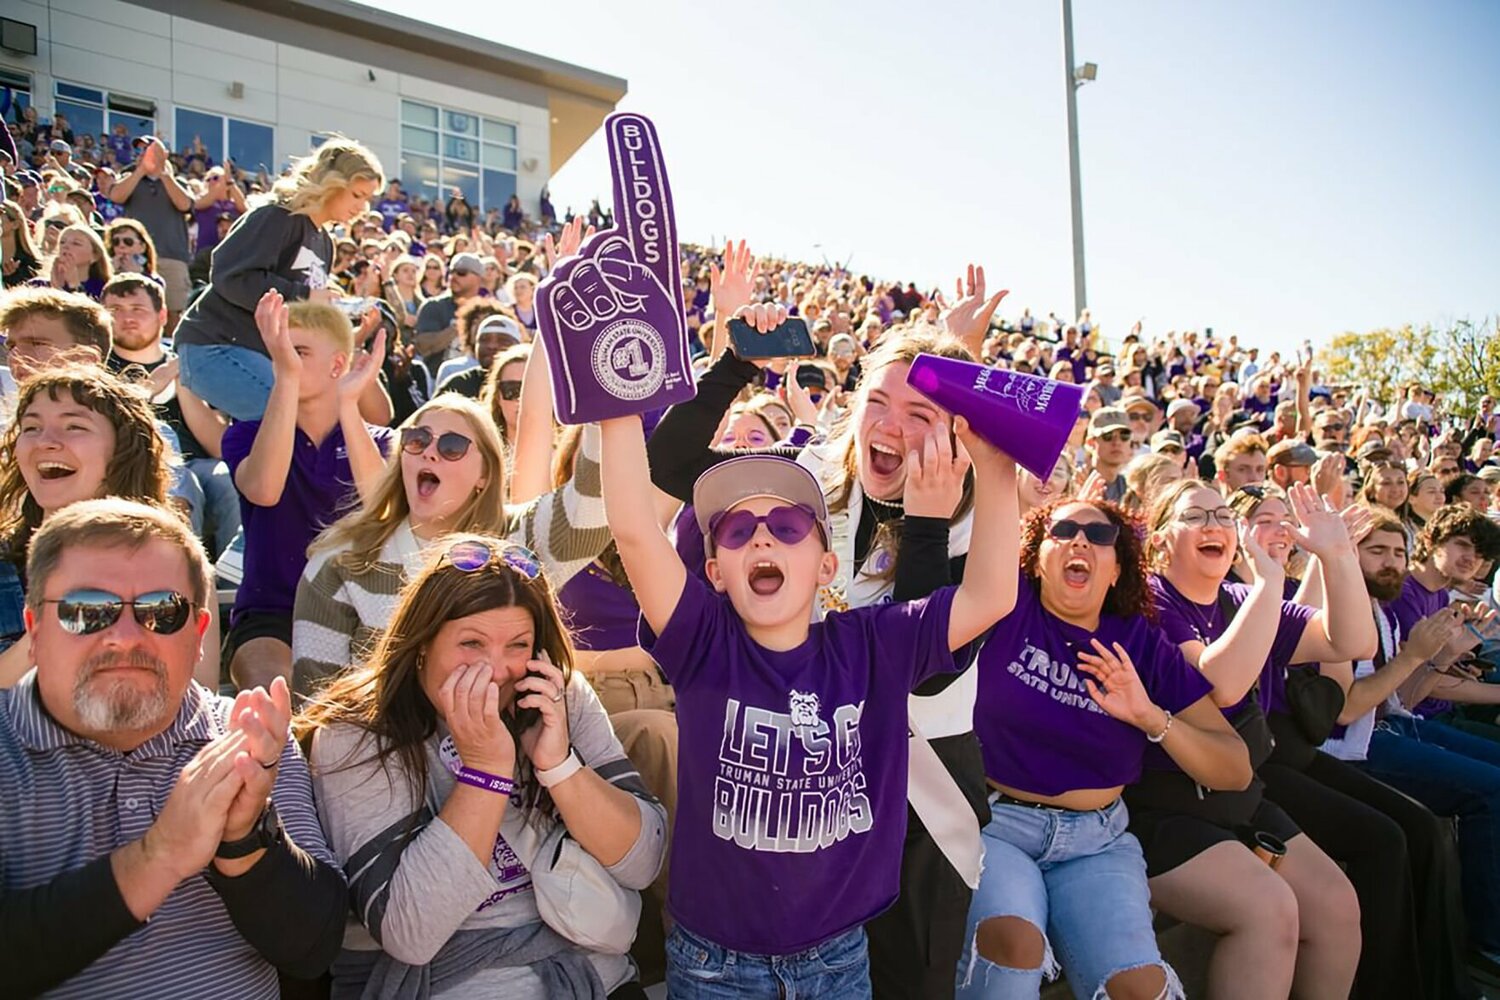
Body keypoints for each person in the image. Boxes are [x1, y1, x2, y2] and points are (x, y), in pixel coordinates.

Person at [604, 366, 1019, 997]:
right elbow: (634, 530)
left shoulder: (875, 645)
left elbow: (990, 596)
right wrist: (613, 407)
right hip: (714, 965)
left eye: (788, 526)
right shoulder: (703, 643)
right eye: (737, 531)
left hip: (838, 961)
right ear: (714, 572)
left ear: (826, 564)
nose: (762, 537)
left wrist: (995, 468)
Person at [0, 498, 347, 998]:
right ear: (34, 631)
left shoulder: (243, 734)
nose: (124, 637)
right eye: (87, 611)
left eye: (160, 611)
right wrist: (159, 856)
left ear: (200, 633)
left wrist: (244, 840)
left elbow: (314, 949)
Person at [300, 533, 666, 997]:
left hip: (589, 973)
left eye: (517, 645)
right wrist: (485, 772)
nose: (496, 669)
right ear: (422, 644)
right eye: (471, 643)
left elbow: (643, 864)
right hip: (449, 982)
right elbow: (410, 934)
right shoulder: (355, 734)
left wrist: (558, 767)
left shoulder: (558, 696)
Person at [957, 497, 1250, 1000]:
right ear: (1034, 559)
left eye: (1099, 536)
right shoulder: (1006, 606)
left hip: (1097, 841)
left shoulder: (1139, 643)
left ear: (1117, 570)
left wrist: (1149, 716)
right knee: (1014, 941)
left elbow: (1235, 767)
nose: (1080, 541)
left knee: (1138, 985)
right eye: (1063, 530)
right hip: (996, 825)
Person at [1133, 480, 1374, 999]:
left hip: (1236, 798)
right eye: (1195, 517)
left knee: (1336, 906)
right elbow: (1218, 684)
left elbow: (1352, 640)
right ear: (1160, 540)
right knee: (1271, 910)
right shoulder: (1150, 601)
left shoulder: (1242, 598)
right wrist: (1269, 584)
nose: (1214, 525)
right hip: (1159, 809)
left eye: (1223, 516)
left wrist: (1337, 557)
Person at [291, 393, 609, 696]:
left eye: (452, 446)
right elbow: (317, 701)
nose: (430, 452)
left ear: (485, 473)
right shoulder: (340, 562)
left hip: (516, 733)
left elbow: (593, 506)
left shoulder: (518, 539)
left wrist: (599, 394)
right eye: (417, 440)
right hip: (382, 735)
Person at [1318, 508, 1486, 999]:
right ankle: (1486, 949)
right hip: (1351, 751)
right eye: (1377, 551)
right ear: (1348, 554)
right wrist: (1416, 656)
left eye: (1398, 552)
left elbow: (1400, 701)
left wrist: (1439, 657)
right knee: (1463, 806)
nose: (1391, 562)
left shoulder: (1382, 611)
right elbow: (1347, 710)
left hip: (1389, 732)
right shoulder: (1336, 609)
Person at [221, 292, 391, 691]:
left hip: (358, 611)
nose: (285, 359)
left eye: (298, 352)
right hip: (271, 613)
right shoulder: (245, 434)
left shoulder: (381, 442)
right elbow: (264, 490)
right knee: (270, 690)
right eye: (279, 351)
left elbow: (382, 508)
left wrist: (348, 406)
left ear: (337, 365)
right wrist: (287, 377)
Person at [172, 136, 384, 421]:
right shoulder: (278, 216)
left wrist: (340, 320)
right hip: (215, 345)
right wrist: (305, 296)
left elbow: (294, 311)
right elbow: (231, 276)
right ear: (332, 183)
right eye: (357, 195)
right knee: (298, 420)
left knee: (308, 421)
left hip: (261, 356)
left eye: (367, 199)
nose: (362, 207)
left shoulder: (325, 242)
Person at [101, 273, 238, 559]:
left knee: (227, 478)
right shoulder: (100, 368)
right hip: (132, 466)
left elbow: (219, 447)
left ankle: (234, 578)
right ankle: (184, 572)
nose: (127, 318)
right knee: (181, 479)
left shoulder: (190, 364)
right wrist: (152, 385)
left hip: (199, 462)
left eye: (137, 309)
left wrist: (183, 382)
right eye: (115, 310)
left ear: (162, 315)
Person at [107, 136, 193, 330]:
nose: (143, 154)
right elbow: (116, 196)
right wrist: (140, 171)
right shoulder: (130, 178)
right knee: (132, 306)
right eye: (139, 150)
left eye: (149, 150)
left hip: (171, 256)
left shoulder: (178, 181)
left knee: (173, 312)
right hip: (134, 255)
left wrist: (163, 174)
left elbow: (185, 204)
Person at [414, 252, 487, 373]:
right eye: (451, 272)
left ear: (479, 279)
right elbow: (422, 346)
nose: (454, 277)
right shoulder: (433, 306)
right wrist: (460, 326)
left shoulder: (487, 310)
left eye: (461, 273)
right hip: (437, 379)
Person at [39, 223, 111, 300]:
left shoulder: (105, 289)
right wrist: (55, 288)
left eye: (76, 243)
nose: (66, 246)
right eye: (62, 242)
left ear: (95, 255)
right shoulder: (38, 286)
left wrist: (74, 287)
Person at [191, 165, 246, 256]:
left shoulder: (235, 204)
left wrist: (230, 183)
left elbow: (245, 209)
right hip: (205, 252)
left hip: (231, 253)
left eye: (215, 178)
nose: (211, 181)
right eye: (208, 180)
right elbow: (198, 205)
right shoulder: (201, 199)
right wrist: (219, 185)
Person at [1082, 407, 1132, 503]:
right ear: (1091, 443)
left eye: (1124, 436)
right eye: (1108, 436)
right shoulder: (1074, 483)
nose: (1117, 442)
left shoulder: (1131, 489)